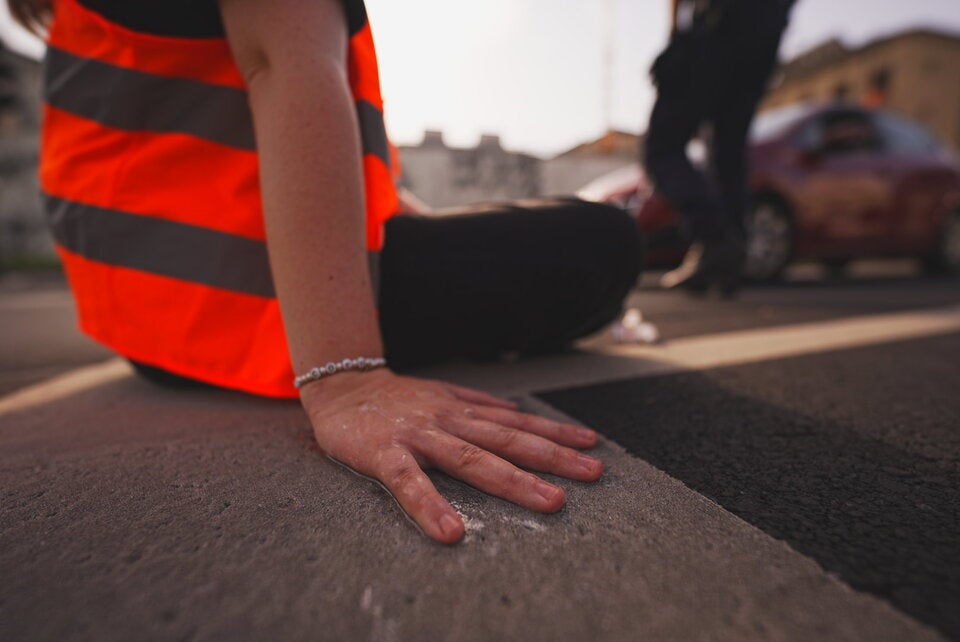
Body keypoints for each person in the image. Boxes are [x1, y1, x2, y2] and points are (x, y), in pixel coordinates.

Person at [10, 0, 641, 544]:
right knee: (602, 240)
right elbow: (285, 65)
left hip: (151, 323)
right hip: (245, 303)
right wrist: (345, 377)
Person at [644, 0, 794, 295]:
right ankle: (727, 264)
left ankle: (715, 238)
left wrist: (676, 38)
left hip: (718, 24)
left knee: (662, 148)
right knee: (727, 153)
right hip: (764, 34)